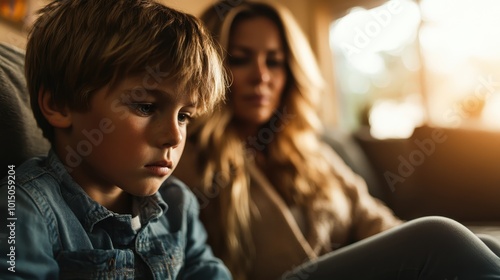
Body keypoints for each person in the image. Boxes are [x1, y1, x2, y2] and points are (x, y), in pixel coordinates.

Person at [173, 1, 500, 279]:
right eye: (240, 58)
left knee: (486, 243)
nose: (261, 75)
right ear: (210, 68)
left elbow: (374, 221)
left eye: (274, 61)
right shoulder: (184, 157)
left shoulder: (311, 151)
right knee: (438, 235)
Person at [0, 0, 231, 279]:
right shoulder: (22, 207)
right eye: (145, 107)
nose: (174, 136)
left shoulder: (178, 204)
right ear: (60, 105)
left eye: (184, 116)